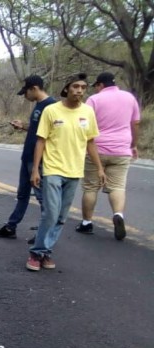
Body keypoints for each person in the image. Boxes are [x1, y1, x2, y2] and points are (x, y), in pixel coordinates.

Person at [27, 73, 105, 271]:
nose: (79, 90)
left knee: (62, 216)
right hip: (52, 168)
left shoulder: (88, 112)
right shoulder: (51, 111)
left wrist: (100, 168)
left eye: (83, 87)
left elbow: (90, 142)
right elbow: (41, 140)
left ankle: (46, 252)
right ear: (67, 89)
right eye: (75, 86)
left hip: (74, 172)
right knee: (51, 213)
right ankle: (36, 253)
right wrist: (36, 169)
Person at [76, 72, 141, 240]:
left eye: (96, 86)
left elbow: (84, 124)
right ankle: (118, 214)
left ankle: (86, 223)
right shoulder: (129, 98)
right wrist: (133, 144)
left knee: (91, 187)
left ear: (100, 85)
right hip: (121, 149)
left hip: (96, 149)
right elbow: (135, 123)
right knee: (117, 186)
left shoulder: (94, 100)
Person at [0, 75, 56, 240]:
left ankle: (44, 233)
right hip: (27, 156)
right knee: (22, 194)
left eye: (25, 92)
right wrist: (24, 126)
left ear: (34, 88)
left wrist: (37, 166)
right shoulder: (39, 106)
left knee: (42, 198)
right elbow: (38, 130)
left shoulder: (52, 106)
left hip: (37, 160)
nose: (25, 96)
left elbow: (51, 136)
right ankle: (11, 226)